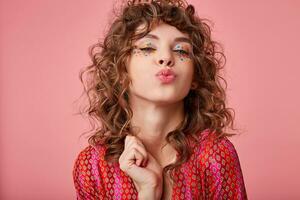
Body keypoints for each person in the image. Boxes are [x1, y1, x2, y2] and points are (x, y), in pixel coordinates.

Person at [72, 0, 248, 199]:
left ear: (195, 78)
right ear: (120, 71)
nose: (166, 57)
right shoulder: (93, 165)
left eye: (181, 50)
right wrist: (149, 192)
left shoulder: (215, 155)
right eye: (147, 47)